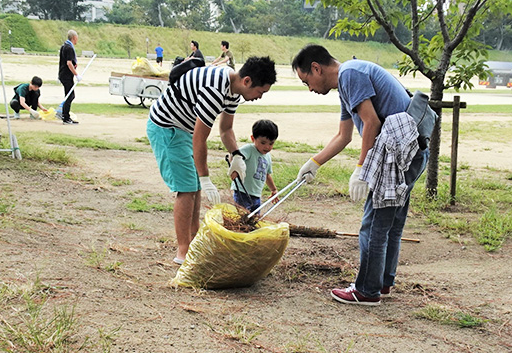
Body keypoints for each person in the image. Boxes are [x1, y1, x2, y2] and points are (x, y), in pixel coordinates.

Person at [292, 44, 429, 306]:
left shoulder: (349, 75)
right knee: (391, 223)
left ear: (316, 68)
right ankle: (383, 282)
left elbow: (372, 122)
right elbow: (344, 136)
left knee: (374, 224)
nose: (309, 88)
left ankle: (367, 290)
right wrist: (314, 163)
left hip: (398, 155)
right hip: (410, 153)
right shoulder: (347, 82)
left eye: (306, 80)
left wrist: (362, 170)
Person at [147, 56, 277, 265]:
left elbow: (225, 130)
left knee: (193, 186)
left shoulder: (233, 90)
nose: (259, 97)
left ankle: (194, 238)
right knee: (187, 188)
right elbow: (200, 138)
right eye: (260, 92)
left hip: (183, 130)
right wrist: (206, 177)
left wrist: (236, 155)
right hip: (168, 128)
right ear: (247, 81)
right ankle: (183, 252)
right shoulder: (215, 90)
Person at [231, 119, 279, 212]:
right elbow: (235, 157)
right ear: (253, 139)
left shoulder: (267, 156)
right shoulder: (249, 149)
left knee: (255, 219)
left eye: (271, 143)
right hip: (242, 192)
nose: (267, 147)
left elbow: (267, 175)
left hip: (256, 195)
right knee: (242, 217)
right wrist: (235, 171)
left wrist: (273, 190)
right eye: (263, 143)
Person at [58, 29, 81, 125]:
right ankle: (65, 117)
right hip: (66, 75)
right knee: (70, 95)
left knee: (69, 95)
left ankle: (65, 115)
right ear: (74, 38)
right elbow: (69, 63)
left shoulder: (64, 46)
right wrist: (76, 74)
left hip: (64, 74)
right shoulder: (69, 48)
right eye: (77, 39)